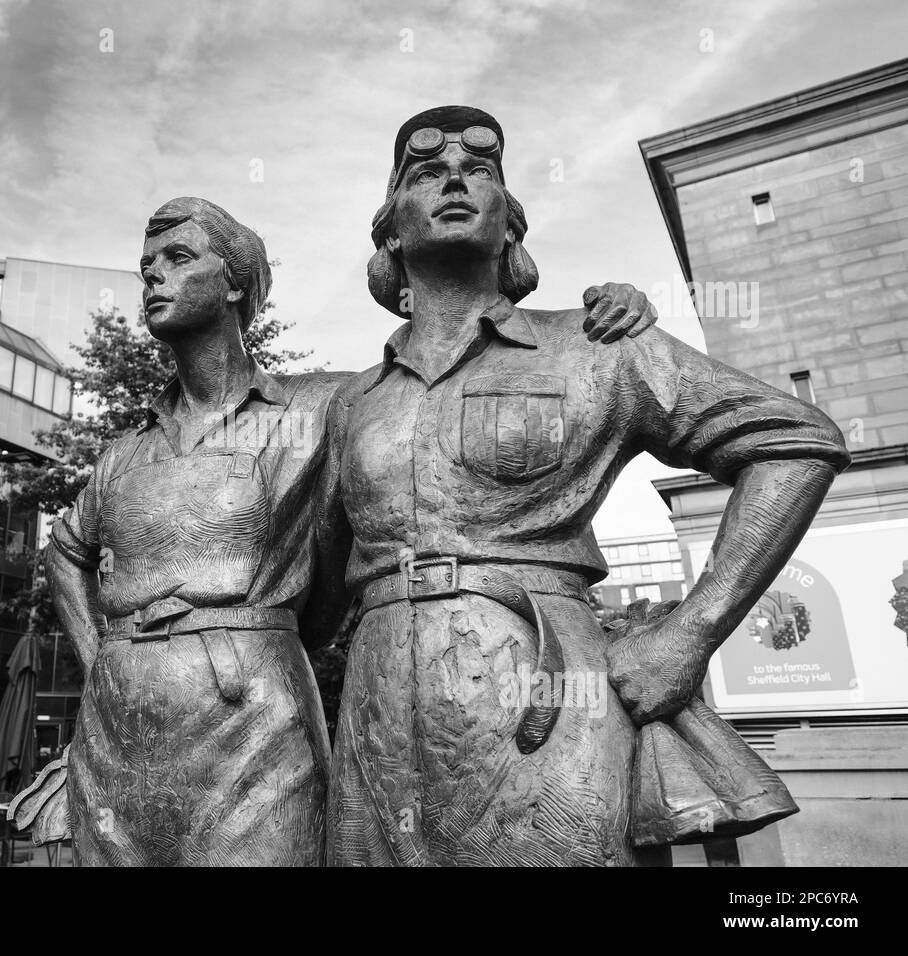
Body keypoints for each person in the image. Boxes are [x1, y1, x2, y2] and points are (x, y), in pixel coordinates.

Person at [36, 195, 661, 866]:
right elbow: (65, 551)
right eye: (146, 266)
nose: (153, 276)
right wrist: (98, 656)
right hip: (118, 719)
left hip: (249, 713)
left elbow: (438, 381)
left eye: (178, 258)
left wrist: (601, 322)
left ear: (236, 282)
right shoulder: (125, 450)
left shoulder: (328, 402)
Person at [321, 106, 851, 866]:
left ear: (510, 228)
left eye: (482, 171)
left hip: (549, 692)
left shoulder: (597, 347)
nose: (455, 179)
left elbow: (796, 443)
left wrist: (692, 630)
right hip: (378, 708)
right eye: (425, 172)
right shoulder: (352, 402)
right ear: (392, 232)